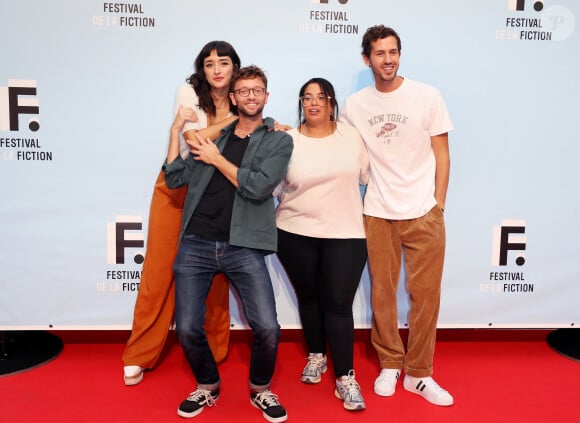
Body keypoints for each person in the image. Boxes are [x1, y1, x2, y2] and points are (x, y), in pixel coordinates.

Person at [164, 65, 293, 422]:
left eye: (258, 90)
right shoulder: (213, 138)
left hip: (244, 245)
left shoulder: (278, 140)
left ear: (266, 97)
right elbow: (175, 176)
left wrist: (217, 160)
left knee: (267, 327)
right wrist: (176, 131)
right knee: (188, 327)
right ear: (233, 98)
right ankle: (207, 385)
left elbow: (257, 186)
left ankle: (260, 390)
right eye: (244, 91)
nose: (251, 96)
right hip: (196, 243)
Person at [339, 25, 454, 407]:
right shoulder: (356, 104)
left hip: (424, 212)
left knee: (426, 297)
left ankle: (420, 374)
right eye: (379, 53)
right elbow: (338, 145)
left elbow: (442, 153)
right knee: (383, 295)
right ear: (366, 59)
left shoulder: (426, 95)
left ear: (399, 55)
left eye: (393, 52)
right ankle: (390, 362)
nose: (387, 60)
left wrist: (438, 204)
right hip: (378, 211)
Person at [122, 40, 240, 386]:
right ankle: (139, 354)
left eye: (223, 62)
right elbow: (195, 142)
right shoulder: (188, 92)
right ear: (201, 69)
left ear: (235, 66)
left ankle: (214, 348)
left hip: (217, 188)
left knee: (217, 271)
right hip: (177, 186)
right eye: (209, 63)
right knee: (159, 272)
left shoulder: (242, 94)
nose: (217, 69)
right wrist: (237, 120)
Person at [275, 78, 369, 411]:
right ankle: (317, 355)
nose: (313, 103)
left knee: (338, 304)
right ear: (301, 103)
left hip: (346, 233)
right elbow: (272, 187)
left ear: (331, 102)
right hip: (294, 231)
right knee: (310, 297)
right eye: (307, 97)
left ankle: (345, 377)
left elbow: (366, 177)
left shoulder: (351, 136)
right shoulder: (287, 139)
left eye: (321, 97)